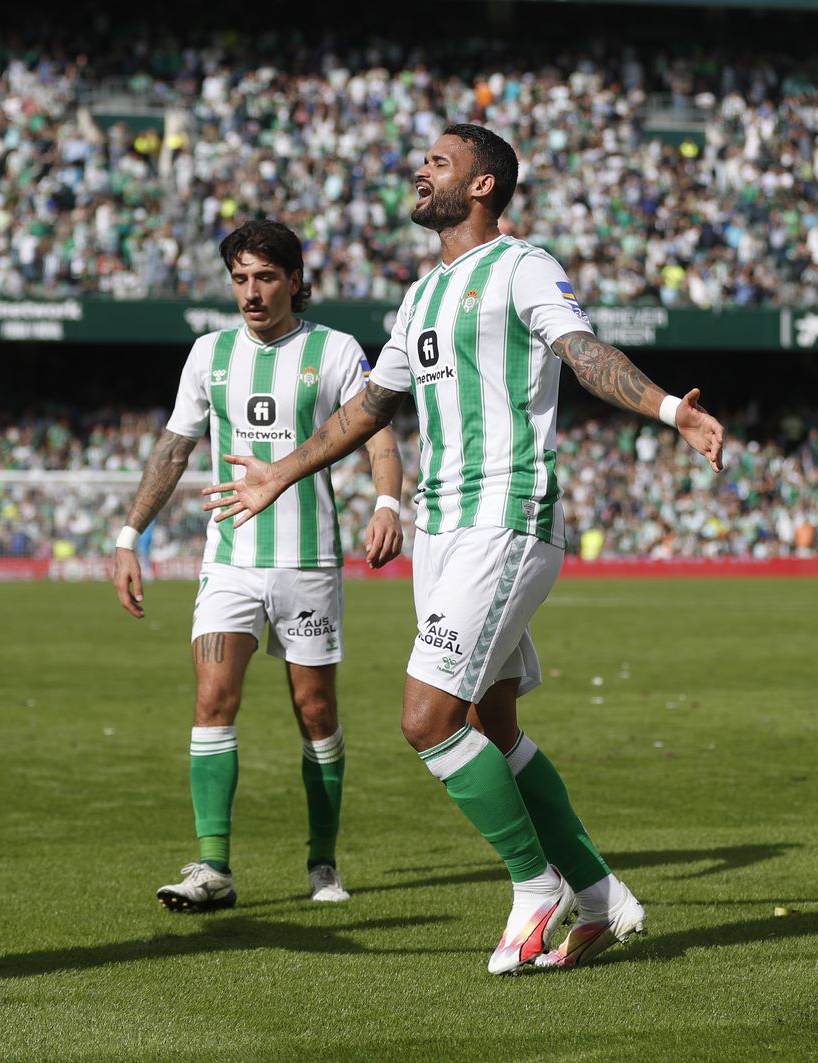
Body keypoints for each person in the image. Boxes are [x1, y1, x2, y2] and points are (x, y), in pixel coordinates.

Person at [202, 126, 725, 972]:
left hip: (504, 513)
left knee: (426, 717)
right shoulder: (419, 296)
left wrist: (671, 410)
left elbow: (582, 353)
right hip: (440, 528)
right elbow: (369, 407)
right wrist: (280, 474)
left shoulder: (522, 267)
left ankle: (535, 884)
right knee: (492, 721)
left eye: (439, 162)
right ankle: (599, 894)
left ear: (482, 185)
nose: (421, 170)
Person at [113, 220, 404, 912]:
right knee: (213, 698)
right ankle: (213, 868)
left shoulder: (333, 349)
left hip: (307, 562)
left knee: (315, 710)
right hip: (230, 562)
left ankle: (323, 862)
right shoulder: (209, 354)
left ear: (295, 281)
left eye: (266, 277)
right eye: (240, 278)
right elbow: (174, 449)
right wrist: (129, 535)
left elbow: (378, 432)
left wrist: (389, 502)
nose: (251, 292)